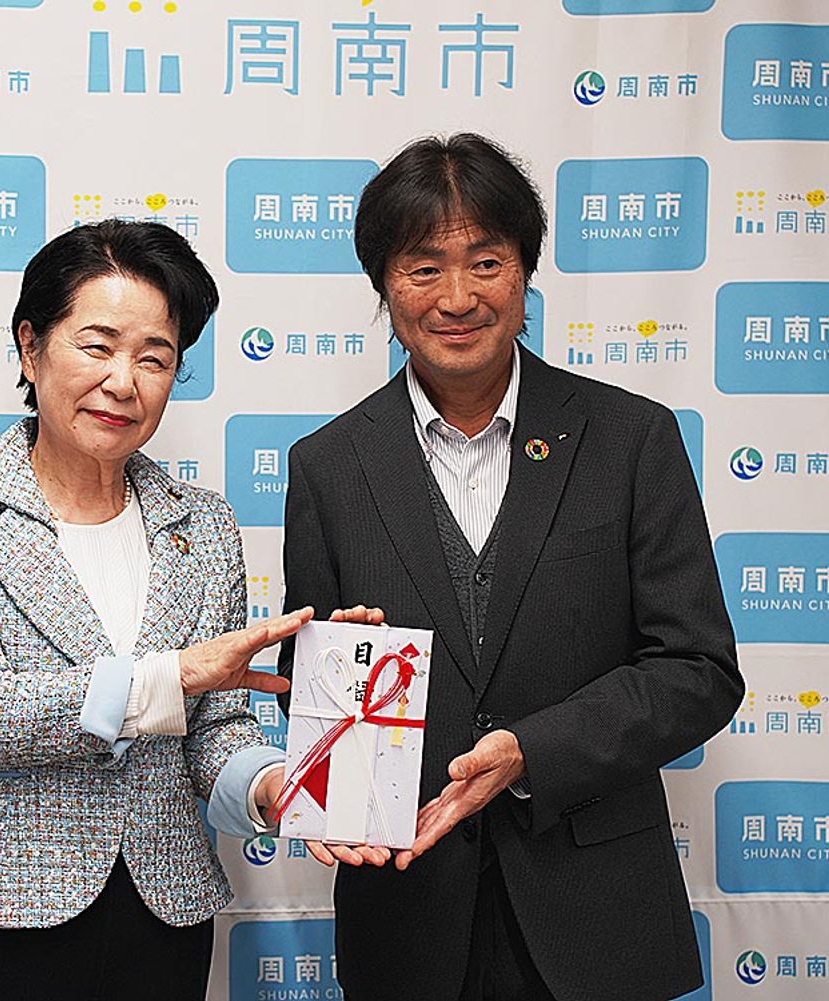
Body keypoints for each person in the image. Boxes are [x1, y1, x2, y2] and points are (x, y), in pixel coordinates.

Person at [279, 134, 743, 1001]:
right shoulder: (328, 466)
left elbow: (698, 670)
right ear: (383, 285)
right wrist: (336, 696)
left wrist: (533, 750)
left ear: (526, 271)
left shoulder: (630, 439)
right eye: (423, 268)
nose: (457, 297)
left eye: (485, 262)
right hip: (407, 912)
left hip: (595, 913)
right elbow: (309, 686)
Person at [0, 219, 308, 1001]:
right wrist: (168, 677)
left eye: (155, 357)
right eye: (98, 346)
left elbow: (215, 726)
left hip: (162, 917)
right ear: (30, 347)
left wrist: (270, 784)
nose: (124, 381)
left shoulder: (204, 524)